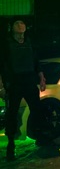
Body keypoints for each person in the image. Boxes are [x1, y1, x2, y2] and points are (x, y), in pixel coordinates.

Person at [0, 19, 51, 159]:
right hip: (14, 83)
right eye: (17, 23)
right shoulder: (6, 44)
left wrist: (42, 78)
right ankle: (11, 144)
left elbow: (36, 62)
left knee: (36, 110)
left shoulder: (30, 42)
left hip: (29, 81)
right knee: (12, 113)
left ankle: (39, 136)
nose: (20, 26)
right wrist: (1, 86)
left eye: (22, 23)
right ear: (11, 28)